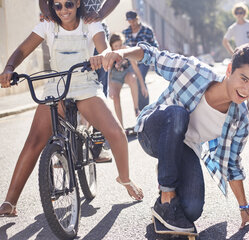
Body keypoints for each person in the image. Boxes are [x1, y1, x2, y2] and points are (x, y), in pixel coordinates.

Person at [101, 41, 249, 232]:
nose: (247, 90)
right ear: (229, 70)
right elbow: (151, 55)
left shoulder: (240, 119)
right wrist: (121, 52)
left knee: (191, 210)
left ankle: (162, 204)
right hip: (153, 130)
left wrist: (245, 209)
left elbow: (232, 164)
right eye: (244, 79)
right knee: (178, 114)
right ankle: (167, 194)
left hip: (186, 146)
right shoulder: (194, 71)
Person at [0, 0, 143, 217]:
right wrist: (9, 68)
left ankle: (125, 178)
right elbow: (22, 49)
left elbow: (102, 45)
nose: (63, 10)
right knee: (34, 141)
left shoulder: (90, 22)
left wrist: (102, 56)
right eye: (57, 6)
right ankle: (10, 203)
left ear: (77, 3)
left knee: (115, 133)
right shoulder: (47, 25)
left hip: (84, 84)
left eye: (68, 4)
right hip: (56, 84)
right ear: (52, 7)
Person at [39, 0, 120, 163]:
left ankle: (98, 143)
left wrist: (100, 14)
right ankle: (61, 147)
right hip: (64, 31)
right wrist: (47, 12)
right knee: (61, 83)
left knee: (97, 85)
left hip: (94, 30)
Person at [109, 33, 148, 127]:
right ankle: (121, 126)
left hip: (126, 75)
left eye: (119, 45)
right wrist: (109, 88)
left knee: (133, 78)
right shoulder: (110, 54)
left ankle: (136, 109)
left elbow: (136, 69)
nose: (118, 48)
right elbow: (107, 72)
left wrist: (143, 86)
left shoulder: (126, 50)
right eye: (115, 46)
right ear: (111, 47)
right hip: (115, 78)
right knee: (115, 97)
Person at [122, 10, 158, 110]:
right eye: (129, 21)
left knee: (140, 76)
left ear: (138, 19)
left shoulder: (147, 30)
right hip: (131, 62)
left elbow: (155, 46)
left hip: (144, 60)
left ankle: (144, 108)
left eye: (133, 21)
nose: (132, 23)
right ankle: (140, 108)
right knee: (136, 80)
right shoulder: (125, 32)